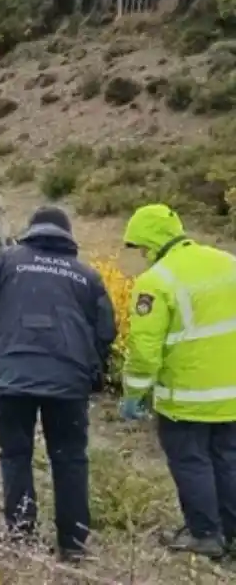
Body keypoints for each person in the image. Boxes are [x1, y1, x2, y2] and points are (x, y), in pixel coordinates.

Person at [0, 206, 116, 563]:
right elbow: (107, 331)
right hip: (69, 381)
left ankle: (21, 534)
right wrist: (89, 362)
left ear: (31, 229)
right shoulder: (87, 276)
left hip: (11, 376)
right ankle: (73, 545)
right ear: (68, 236)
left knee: (15, 455)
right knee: (70, 459)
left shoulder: (5, 259)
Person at [119, 203, 236, 560]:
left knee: (191, 461)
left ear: (148, 245)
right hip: (232, 394)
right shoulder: (227, 262)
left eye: (137, 249)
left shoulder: (157, 281)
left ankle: (205, 534)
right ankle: (231, 532)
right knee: (228, 459)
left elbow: (144, 350)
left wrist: (134, 393)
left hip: (187, 398)